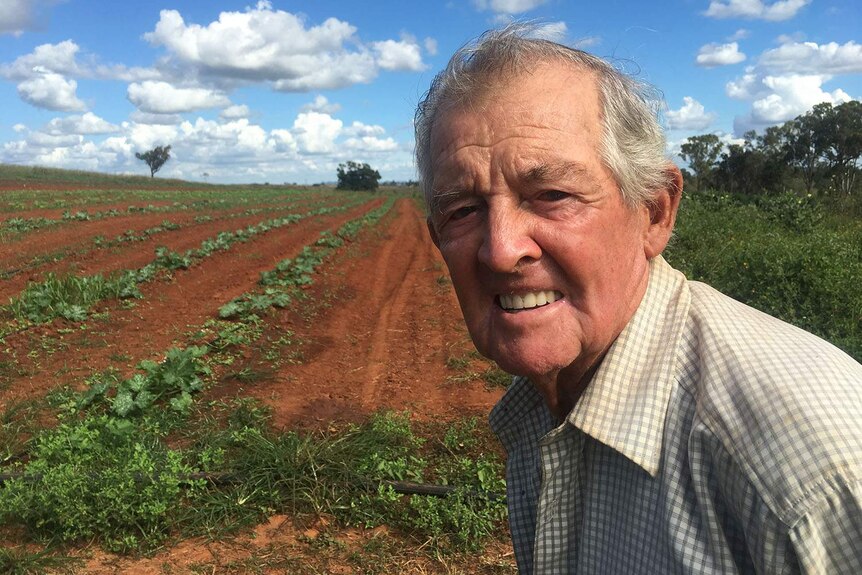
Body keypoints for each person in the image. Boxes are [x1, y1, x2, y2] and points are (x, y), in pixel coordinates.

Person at [415, 24, 862, 574]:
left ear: (655, 212)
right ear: (438, 237)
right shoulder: (545, 398)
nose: (501, 250)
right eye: (462, 209)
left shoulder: (803, 467)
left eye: (552, 195)